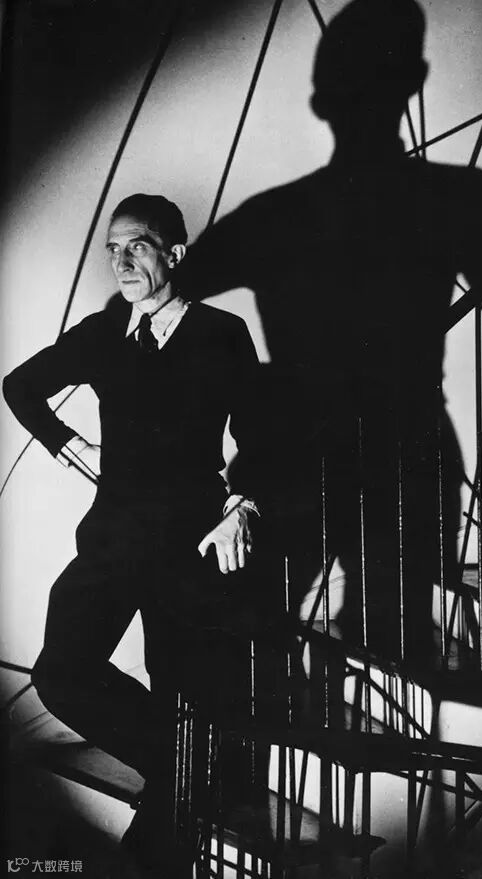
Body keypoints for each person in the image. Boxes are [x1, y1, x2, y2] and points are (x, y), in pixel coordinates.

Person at [177, 0, 482, 667]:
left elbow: (166, 295)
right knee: (380, 652)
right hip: (402, 454)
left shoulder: (278, 217)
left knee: (256, 650)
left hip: (313, 457)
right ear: (414, 81)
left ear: (321, 101)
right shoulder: (452, 199)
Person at [3, 193, 263, 875]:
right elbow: (20, 385)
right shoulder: (102, 332)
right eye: (112, 249)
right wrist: (69, 445)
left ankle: (173, 816)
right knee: (62, 672)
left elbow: (262, 433)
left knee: (180, 687)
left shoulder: (222, 332)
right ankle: (192, 767)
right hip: (114, 535)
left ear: (174, 252)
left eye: (136, 246)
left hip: (193, 542)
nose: (120, 262)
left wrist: (242, 506)